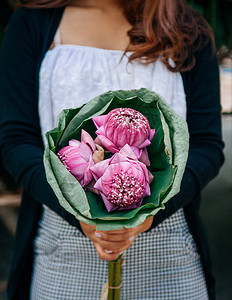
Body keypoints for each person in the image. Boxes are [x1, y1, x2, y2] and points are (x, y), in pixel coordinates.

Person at [0, 0, 224, 299]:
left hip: (167, 254)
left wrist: (152, 211)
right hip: (64, 253)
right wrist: (77, 209)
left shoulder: (189, 30)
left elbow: (207, 145)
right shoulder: (32, 24)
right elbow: (16, 139)